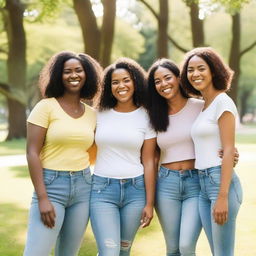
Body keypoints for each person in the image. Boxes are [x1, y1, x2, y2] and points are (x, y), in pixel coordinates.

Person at [23, 51, 102, 256]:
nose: (73, 75)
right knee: (36, 252)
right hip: (51, 186)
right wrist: (42, 198)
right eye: (67, 71)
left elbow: (92, 151)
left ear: (87, 75)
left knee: (69, 253)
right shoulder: (45, 107)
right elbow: (32, 152)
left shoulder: (92, 114)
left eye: (78, 70)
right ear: (59, 75)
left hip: (83, 187)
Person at [90, 57, 156, 256]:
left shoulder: (147, 116)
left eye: (126, 80)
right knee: (109, 252)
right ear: (108, 87)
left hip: (135, 192)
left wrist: (149, 203)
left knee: (124, 251)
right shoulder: (97, 114)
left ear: (135, 81)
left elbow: (149, 162)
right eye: (115, 82)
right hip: (102, 191)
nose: (121, 86)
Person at [180, 47, 243, 256]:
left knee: (223, 253)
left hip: (219, 183)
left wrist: (222, 197)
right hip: (202, 184)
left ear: (214, 71)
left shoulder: (222, 102)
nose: (195, 74)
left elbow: (227, 149)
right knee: (217, 251)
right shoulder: (205, 105)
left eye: (201, 68)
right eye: (190, 70)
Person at [147, 59, 203, 256]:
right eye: (157, 81)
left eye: (167, 78)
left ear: (179, 78)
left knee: (187, 246)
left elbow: (215, 139)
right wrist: (149, 199)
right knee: (172, 249)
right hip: (166, 185)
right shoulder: (153, 115)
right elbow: (151, 159)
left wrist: (231, 153)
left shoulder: (200, 106)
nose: (163, 84)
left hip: (196, 183)